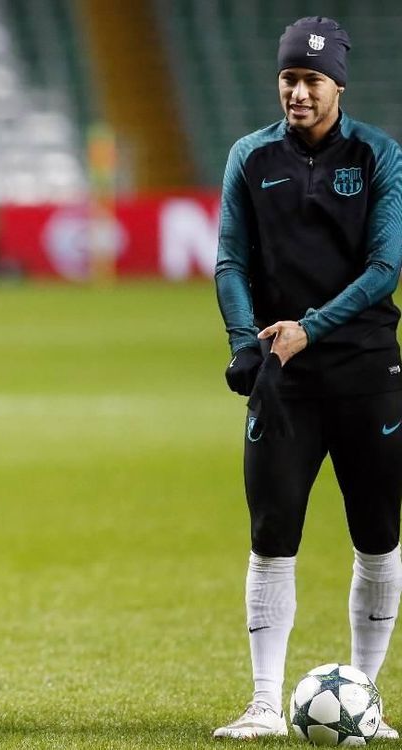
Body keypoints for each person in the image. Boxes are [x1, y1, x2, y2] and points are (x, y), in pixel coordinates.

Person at [213, 16, 402, 740]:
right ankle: (264, 703)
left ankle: (369, 698)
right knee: (271, 537)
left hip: (365, 371)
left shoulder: (379, 155)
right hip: (282, 376)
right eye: (289, 79)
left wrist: (307, 329)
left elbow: (384, 268)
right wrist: (245, 343)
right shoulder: (249, 157)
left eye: (311, 81)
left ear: (338, 86)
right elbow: (230, 260)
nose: (297, 92)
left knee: (378, 535)